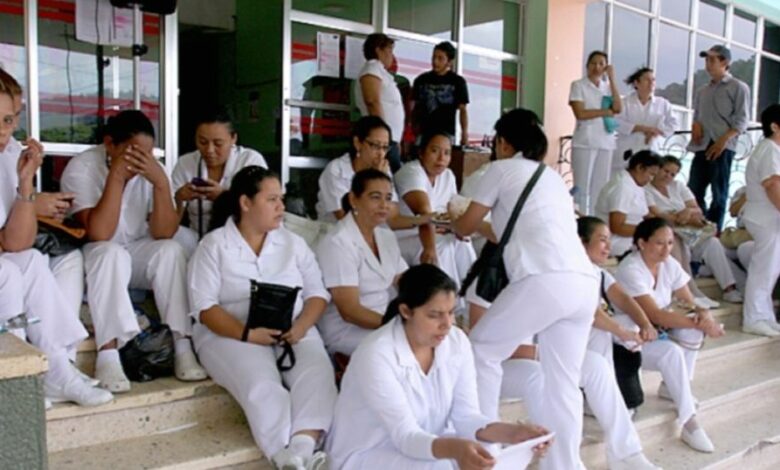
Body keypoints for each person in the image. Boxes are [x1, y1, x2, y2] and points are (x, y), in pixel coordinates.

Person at [452, 108, 598, 470]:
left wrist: (456, 218)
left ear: (503, 143)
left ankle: (486, 451)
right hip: (583, 282)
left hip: (544, 279)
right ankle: (565, 466)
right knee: (563, 384)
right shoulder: (552, 178)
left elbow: (465, 226)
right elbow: (517, 230)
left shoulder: (500, 169)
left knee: (482, 351)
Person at [465, 216, 660, 470]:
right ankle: (559, 461)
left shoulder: (540, 279)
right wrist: (540, 353)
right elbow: (482, 349)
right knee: (540, 377)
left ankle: (625, 452)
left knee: (596, 365)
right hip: (502, 368)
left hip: (536, 356)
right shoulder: (487, 283)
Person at [327, 264, 551, 470]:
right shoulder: (376, 354)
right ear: (406, 311)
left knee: (488, 453)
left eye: (451, 312)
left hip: (424, 442)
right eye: (434, 315)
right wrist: (455, 450)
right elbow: (405, 437)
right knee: (443, 466)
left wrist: (513, 434)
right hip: (369, 453)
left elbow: (467, 417)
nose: (447, 325)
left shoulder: (456, 342)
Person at [189, 166, 336, 470]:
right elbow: (204, 307)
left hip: (293, 328)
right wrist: (248, 334)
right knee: (261, 383)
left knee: (318, 374)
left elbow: (317, 294)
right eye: (272, 200)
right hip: (231, 333)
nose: (281, 207)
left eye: (281, 199)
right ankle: (282, 455)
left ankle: (302, 449)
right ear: (246, 203)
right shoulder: (214, 245)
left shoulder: (293, 243)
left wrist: (301, 327)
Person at [61, 110, 207, 393]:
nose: (142, 160)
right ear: (110, 144)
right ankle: (108, 353)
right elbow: (99, 233)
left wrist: (161, 184)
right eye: (133, 152)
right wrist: (116, 176)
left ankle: (182, 345)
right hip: (94, 253)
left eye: (147, 153)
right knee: (110, 253)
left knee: (170, 250)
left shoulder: (153, 170)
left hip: (135, 250)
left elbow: (164, 232)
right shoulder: (82, 168)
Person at [0, 72, 111, 406]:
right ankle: (16, 378)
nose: (4, 131)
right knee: (7, 272)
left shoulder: (10, 153)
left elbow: (16, 243)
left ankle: (56, 369)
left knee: (31, 259)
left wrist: (25, 184)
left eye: (9, 120)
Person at [614, 217, 723, 453]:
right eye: (659, 243)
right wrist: (702, 324)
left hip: (653, 333)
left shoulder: (668, 264)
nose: (666, 249)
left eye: (670, 243)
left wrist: (703, 315)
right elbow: (654, 314)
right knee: (672, 350)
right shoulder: (631, 269)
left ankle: (671, 388)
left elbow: (687, 302)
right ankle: (689, 422)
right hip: (627, 341)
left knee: (692, 329)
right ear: (641, 243)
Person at [597, 151, 719, 307]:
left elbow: (646, 214)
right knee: (663, 244)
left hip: (634, 234)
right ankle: (685, 292)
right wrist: (649, 232)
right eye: (650, 174)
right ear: (639, 168)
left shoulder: (634, 184)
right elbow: (617, 226)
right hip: (619, 239)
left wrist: (662, 228)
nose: (651, 179)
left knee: (670, 237)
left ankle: (688, 290)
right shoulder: (622, 188)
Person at [316, 169, 408, 355]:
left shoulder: (386, 236)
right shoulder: (338, 242)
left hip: (385, 320)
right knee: (406, 347)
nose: (384, 205)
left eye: (388, 198)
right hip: (347, 331)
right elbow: (349, 311)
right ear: (353, 199)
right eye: (375, 197)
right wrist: (399, 326)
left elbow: (406, 281)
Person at [646, 155, 744, 303]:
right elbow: (657, 214)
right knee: (674, 239)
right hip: (670, 232)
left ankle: (729, 289)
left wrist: (687, 212)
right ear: (658, 169)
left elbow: (696, 209)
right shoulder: (647, 189)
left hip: (689, 231)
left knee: (713, 243)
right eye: (666, 171)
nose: (668, 176)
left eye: (673, 174)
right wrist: (681, 216)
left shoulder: (678, 186)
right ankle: (688, 290)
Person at [394, 132, 476, 290]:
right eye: (434, 151)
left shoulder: (448, 176)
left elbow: (452, 211)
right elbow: (423, 212)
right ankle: (446, 298)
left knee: (463, 242)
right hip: (406, 235)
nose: (441, 158)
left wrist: (457, 229)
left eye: (447, 153)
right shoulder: (411, 172)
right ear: (421, 152)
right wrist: (429, 248)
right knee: (442, 247)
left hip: (436, 232)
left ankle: (470, 294)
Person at [172, 106, 267, 239]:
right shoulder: (186, 163)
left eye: (218, 143)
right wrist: (179, 198)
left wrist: (223, 197)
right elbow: (170, 221)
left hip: (240, 239)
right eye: (203, 142)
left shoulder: (250, 161)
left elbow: (261, 210)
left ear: (233, 138)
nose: (209, 150)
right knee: (167, 243)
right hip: (197, 237)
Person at [315, 116, 426, 229]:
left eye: (385, 147)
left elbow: (393, 219)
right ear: (357, 143)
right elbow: (346, 218)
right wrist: (375, 182)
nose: (381, 153)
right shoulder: (336, 170)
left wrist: (427, 219)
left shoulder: (383, 169)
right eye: (375, 146)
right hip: (336, 233)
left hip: (372, 234)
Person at [687, 45, 751, 230]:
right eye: (707, 60)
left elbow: (742, 120)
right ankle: (698, 229)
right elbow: (697, 115)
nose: (708, 64)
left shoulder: (738, 87)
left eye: (712, 60)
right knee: (694, 190)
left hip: (723, 146)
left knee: (718, 193)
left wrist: (724, 141)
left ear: (725, 62)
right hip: (702, 145)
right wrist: (695, 125)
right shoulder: (702, 91)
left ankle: (714, 232)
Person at [741, 104, 780, 337]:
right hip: (765, 216)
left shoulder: (774, 149)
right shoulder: (769, 149)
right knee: (763, 269)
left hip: (770, 217)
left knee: (771, 270)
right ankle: (754, 318)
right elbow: (773, 186)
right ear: (774, 126)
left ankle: (764, 316)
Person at [569, 50, 622, 214]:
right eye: (593, 63)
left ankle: (596, 219)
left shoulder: (608, 87)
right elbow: (580, 113)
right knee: (581, 184)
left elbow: (618, 108)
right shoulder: (578, 85)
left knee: (601, 185)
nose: (597, 67)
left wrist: (612, 79)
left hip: (606, 140)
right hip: (585, 141)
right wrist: (604, 112)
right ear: (587, 65)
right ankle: (579, 217)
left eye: (601, 64)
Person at [355, 33, 405, 172]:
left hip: (388, 139)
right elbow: (372, 101)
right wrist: (383, 136)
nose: (391, 56)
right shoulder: (372, 69)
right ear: (378, 50)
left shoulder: (380, 71)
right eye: (389, 50)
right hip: (381, 140)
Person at [614, 68, 677, 176]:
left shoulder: (663, 104)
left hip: (650, 147)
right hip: (627, 149)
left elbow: (673, 125)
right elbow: (616, 122)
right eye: (647, 80)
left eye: (653, 80)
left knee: (648, 180)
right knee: (624, 178)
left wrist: (655, 131)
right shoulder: (625, 102)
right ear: (636, 83)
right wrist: (642, 129)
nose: (651, 83)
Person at [411, 41, 470, 145]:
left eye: (440, 58)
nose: (435, 61)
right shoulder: (421, 80)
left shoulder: (457, 82)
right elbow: (413, 107)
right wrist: (412, 128)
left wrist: (464, 133)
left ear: (449, 62)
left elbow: (463, 110)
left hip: (446, 132)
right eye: (433, 57)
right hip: (423, 132)